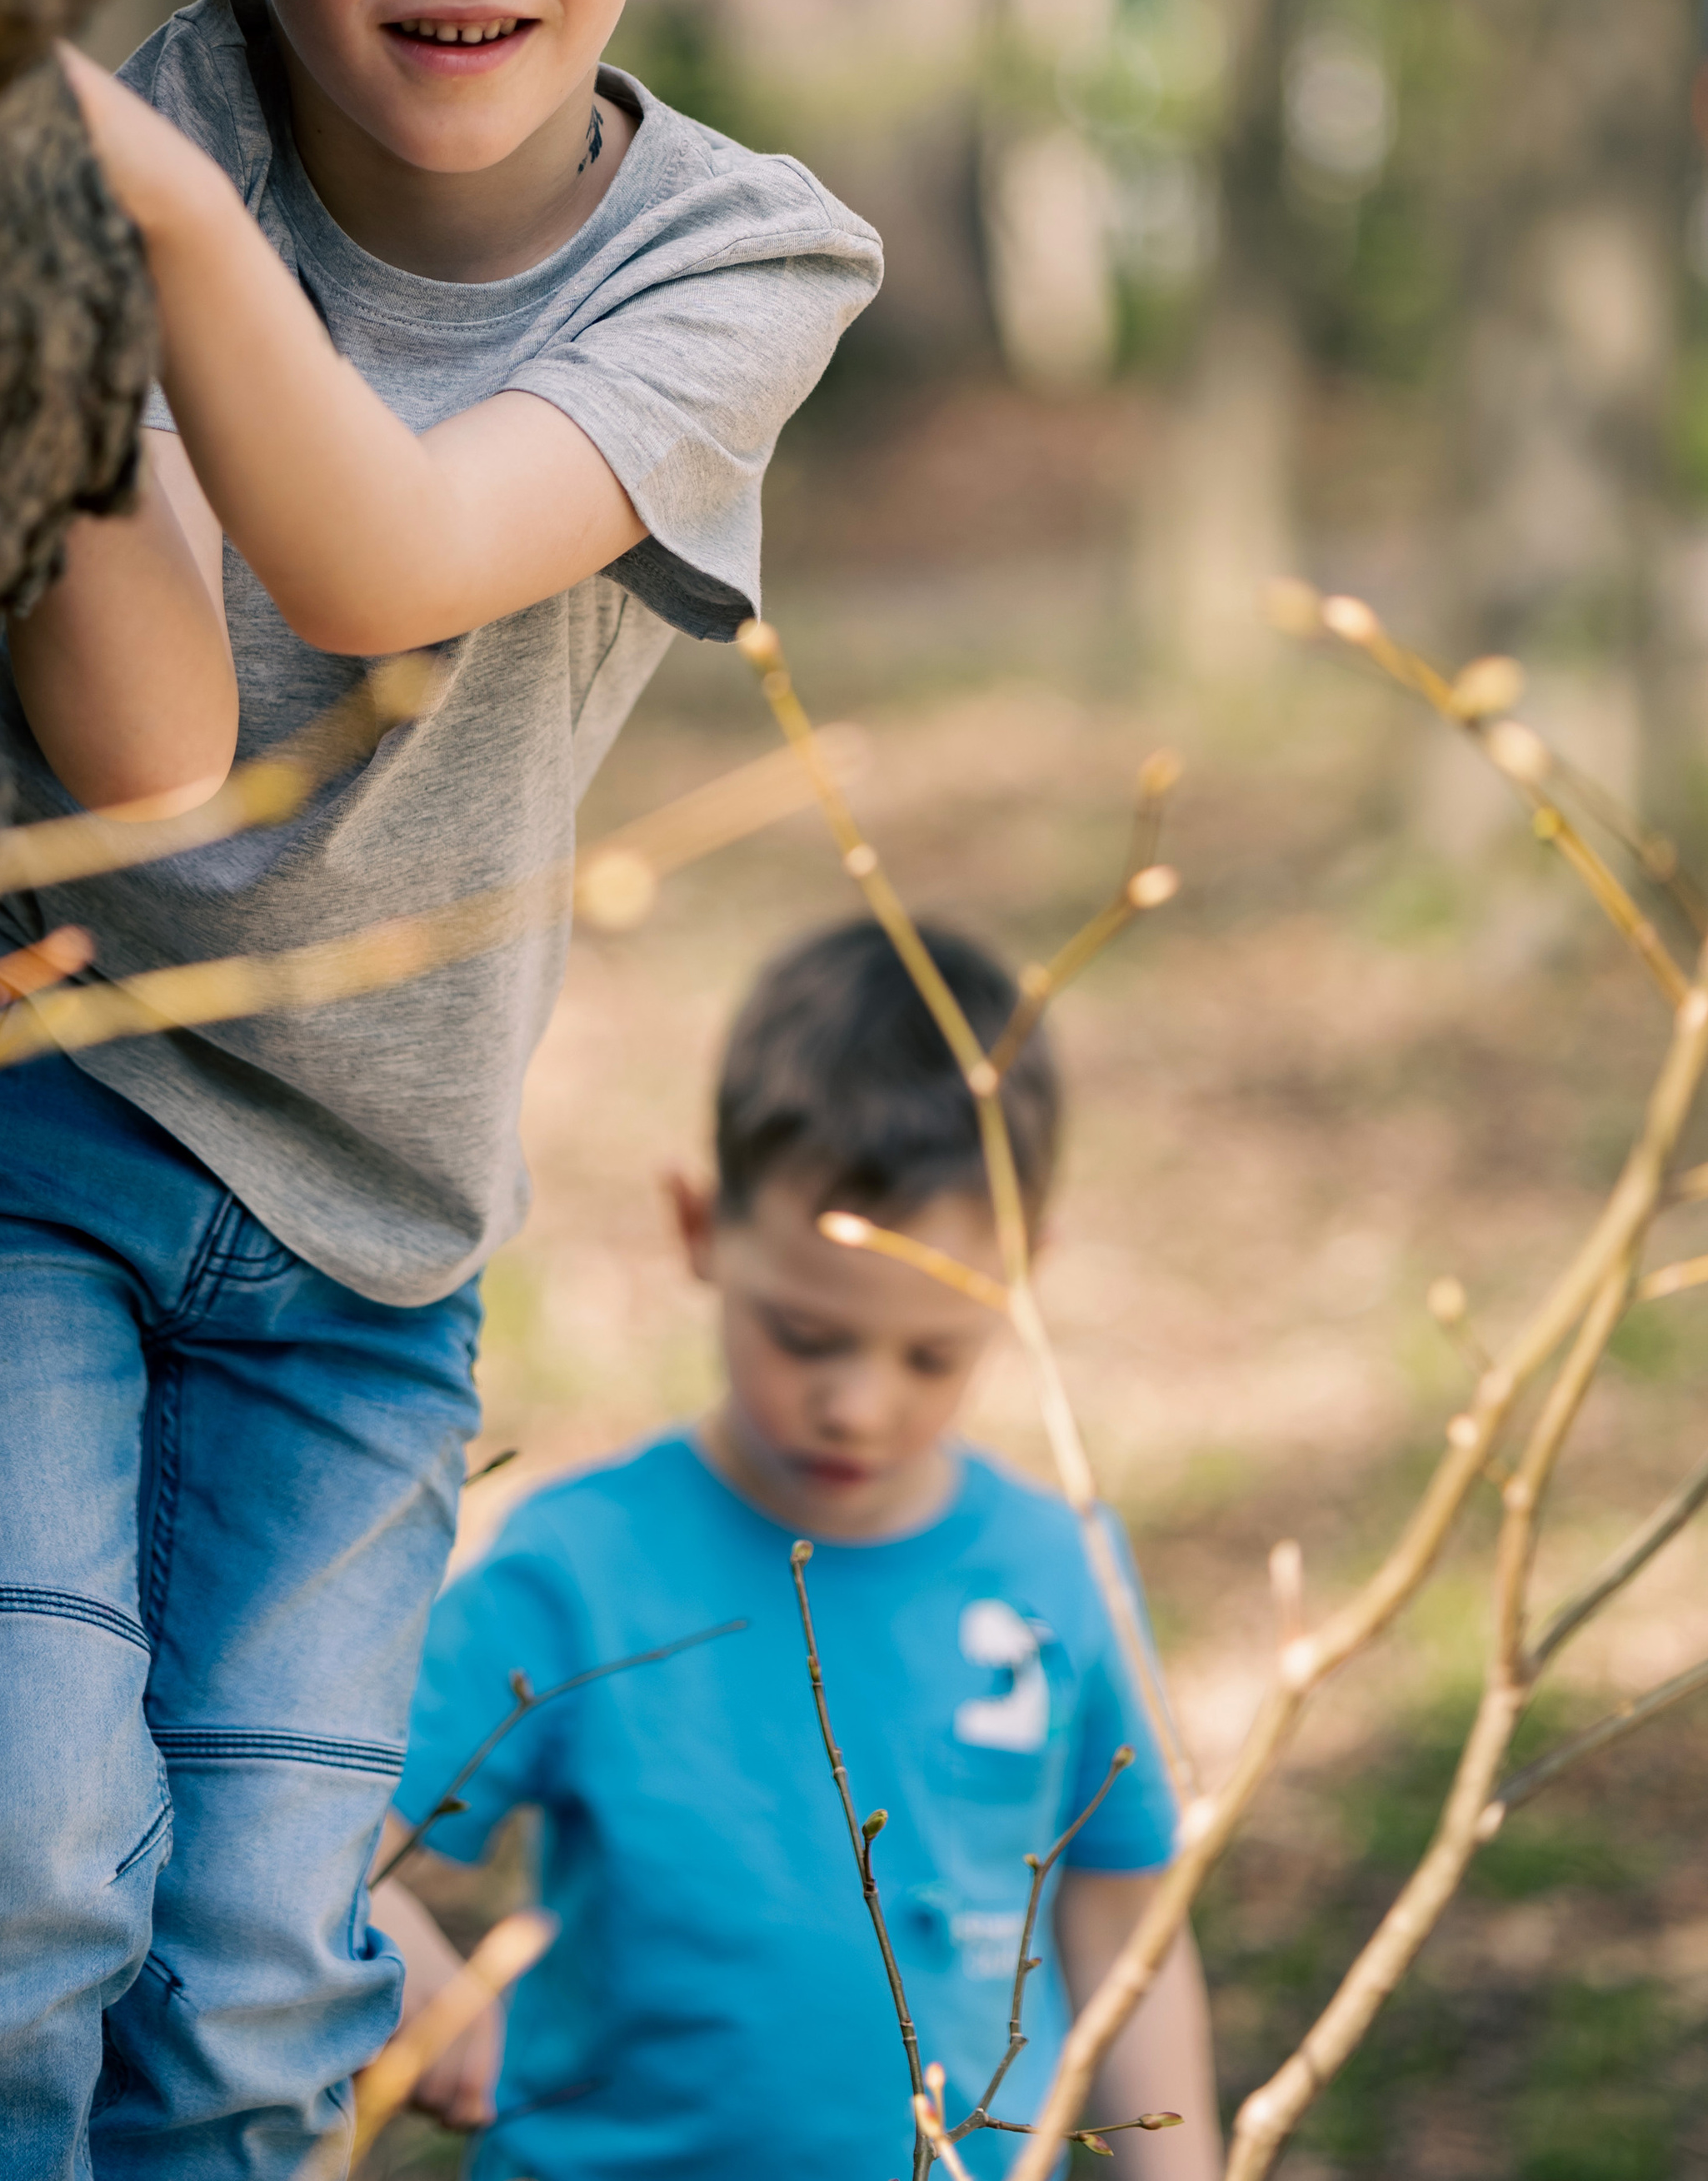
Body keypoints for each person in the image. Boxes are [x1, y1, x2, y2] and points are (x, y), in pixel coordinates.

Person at [0, 0, 881, 2179]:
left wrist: (126, 202)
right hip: (23, 1126)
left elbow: (391, 553)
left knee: (265, 1965)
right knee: (19, 1867)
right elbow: (139, 744)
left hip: (372, 1251)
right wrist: (92, 191)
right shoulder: (110, 152)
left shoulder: (745, 261)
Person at [382, 917, 1221, 2179]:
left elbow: (1127, 1933)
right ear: (699, 1226)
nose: (859, 1405)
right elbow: (333, 1839)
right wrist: (406, 1965)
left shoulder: (1063, 1573)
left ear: (1021, 1282)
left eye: (932, 1353)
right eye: (807, 1335)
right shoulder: (578, 1570)